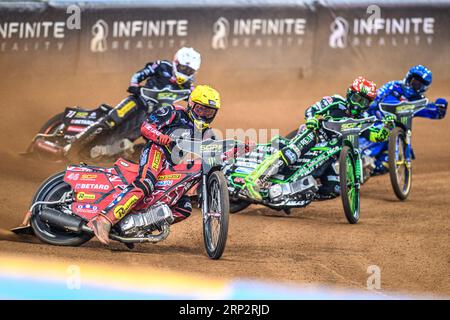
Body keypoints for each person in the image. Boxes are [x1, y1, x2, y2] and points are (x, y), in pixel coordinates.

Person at [87, 85, 221, 245]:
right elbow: (146, 126)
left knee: (184, 207)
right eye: (200, 109)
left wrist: (241, 149)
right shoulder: (174, 112)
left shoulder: (206, 132)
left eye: (209, 112)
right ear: (191, 105)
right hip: (157, 151)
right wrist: (160, 137)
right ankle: (103, 220)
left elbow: (215, 150)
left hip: (173, 164)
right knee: (145, 184)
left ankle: (136, 228)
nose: (204, 115)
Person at [244, 76, 393, 201]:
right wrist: (312, 120)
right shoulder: (336, 101)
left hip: (331, 155)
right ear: (349, 93)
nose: (357, 104)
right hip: (316, 136)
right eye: (356, 98)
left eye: (363, 102)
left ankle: (292, 195)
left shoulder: (363, 119)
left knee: (334, 188)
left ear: (368, 104)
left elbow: (375, 136)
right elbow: (312, 110)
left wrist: (387, 127)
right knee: (291, 154)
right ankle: (256, 179)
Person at [67, 47, 202, 156]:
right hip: (138, 101)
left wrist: (197, 115)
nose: (186, 72)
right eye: (184, 68)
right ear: (176, 62)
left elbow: (193, 101)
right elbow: (139, 74)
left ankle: (111, 157)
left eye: (190, 70)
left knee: (143, 141)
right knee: (110, 121)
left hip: (152, 117)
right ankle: (74, 143)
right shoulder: (162, 66)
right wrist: (134, 85)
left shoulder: (188, 86)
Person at [362, 65, 447, 175]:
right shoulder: (393, 86)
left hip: (393, 131)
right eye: (414, 81)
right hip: (374, 122)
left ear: (424, 88)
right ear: (408, 78)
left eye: (419, 85)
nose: (415, 85)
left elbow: (434, 113)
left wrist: (440, 108)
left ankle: (365, 171)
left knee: (386, 164)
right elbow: (374, 99)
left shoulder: (418, 99)